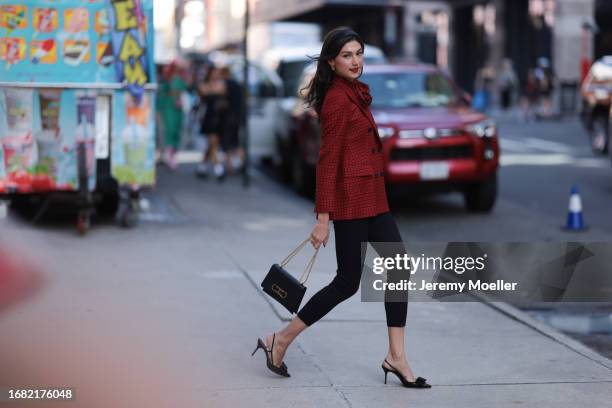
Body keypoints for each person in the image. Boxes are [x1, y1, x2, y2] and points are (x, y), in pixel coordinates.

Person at [251, 27, 431, 389]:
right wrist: (322, 219)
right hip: (351, 202)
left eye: (359, 53)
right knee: (348, 281)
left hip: (374, 198)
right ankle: (280, 340)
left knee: (397, 269)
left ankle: (396, 356)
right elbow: (327, 161)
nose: (355, 61)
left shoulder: (354, 93)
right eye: (347, 55)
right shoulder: (336, 100)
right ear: (331, 61)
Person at [196, 66, 227, 181]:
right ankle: (218, 169)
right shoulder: (205, 85)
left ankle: (202, 167)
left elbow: (222, 91)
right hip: (208, 118)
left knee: (211, 145)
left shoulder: (220, 85)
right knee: (213, 143)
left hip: (219, 118)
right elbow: (202, 91)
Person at [157, 60, 187, 170]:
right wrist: (159, 108)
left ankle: (173, 153)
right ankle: (169, 155)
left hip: (177, 108)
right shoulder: (167, 79)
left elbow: (184, 89)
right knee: (169, 130)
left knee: (176, 131)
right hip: (169, 107)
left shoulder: (181, 78)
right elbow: (162, 94)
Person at [219, 66, 244, 175]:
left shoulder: (225, 85)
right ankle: (240, 164)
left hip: (227, 118)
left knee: (228, 144)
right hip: (236, 117)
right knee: (235, 143)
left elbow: (223, 102)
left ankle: (230, 167)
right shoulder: (237, 84)